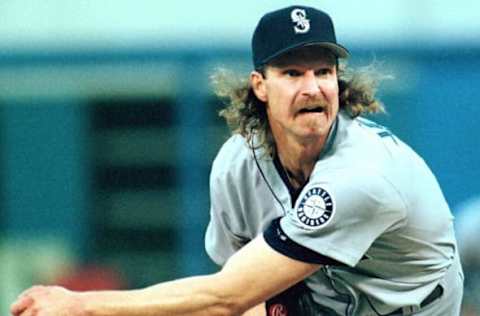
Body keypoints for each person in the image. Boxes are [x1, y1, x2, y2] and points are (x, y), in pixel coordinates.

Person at [10, 5, 463, 316]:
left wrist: (84, 304)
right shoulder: (238, 164)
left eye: (323, 71)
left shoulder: (362, 174)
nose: (313, 87)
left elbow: (225, 297)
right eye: (292, 73)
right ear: (259, 86)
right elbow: (248, 298)